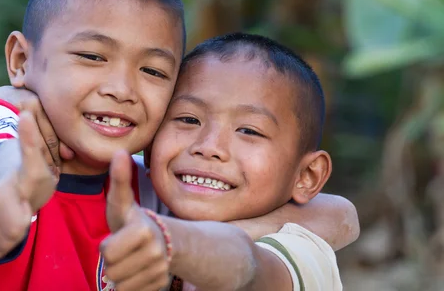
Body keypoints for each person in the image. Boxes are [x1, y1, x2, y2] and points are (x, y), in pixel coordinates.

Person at [0, 0, 357, 291]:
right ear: (20, 60)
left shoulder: (148, 190)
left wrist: (207, 237)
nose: (122, 89)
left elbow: (337, 216)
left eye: (152, 71)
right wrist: (17, 186)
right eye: (92, 56)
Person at [101, 33, 349, 290]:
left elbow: (249, 267)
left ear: (307, 176)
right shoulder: (129, 190)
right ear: (151, 145)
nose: (209, 147)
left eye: (249, 131)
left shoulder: (303, 254)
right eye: (188, 119)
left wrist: (169, 241)